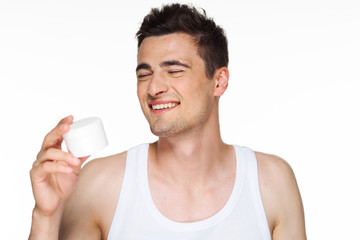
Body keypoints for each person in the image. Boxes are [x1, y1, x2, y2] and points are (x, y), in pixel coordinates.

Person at [29, 3, 306, 240]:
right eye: (144, 74)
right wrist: (46, 216)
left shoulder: (271, 182)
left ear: (219, 82)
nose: (153, 88)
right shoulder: (99, 185)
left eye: (174, 70)